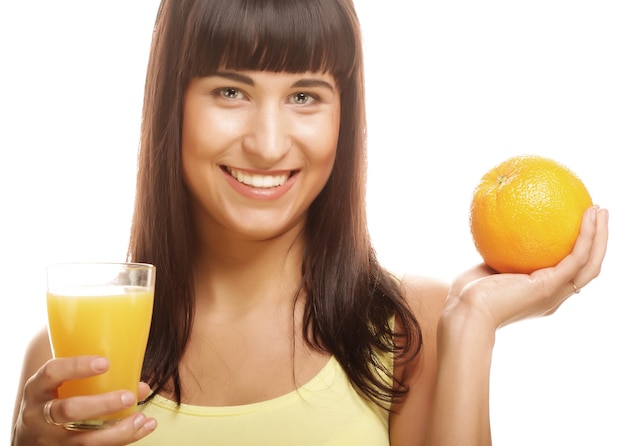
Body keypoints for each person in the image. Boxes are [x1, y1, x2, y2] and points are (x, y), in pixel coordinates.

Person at [10, 0, 609, 444]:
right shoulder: (74, 355)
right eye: (230, 92)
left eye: (304, 96)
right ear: (174, 105)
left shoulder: (413, 328)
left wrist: (474, 324)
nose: (269, 146)